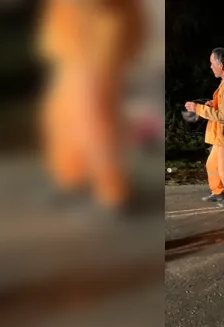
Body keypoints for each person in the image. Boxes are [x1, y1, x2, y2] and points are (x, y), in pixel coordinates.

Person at [37, 0, 144, 214]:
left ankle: (112, 191)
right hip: (74, 42)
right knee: (63, 117)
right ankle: (73, 177)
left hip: (95, 43)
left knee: (95, 119)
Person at [186, 48, 224, 208]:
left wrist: (198, 109)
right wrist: (212, 104)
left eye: (212, 63)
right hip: (222, 135)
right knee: (212, 165)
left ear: (220, 64)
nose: (210, 66)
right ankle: (217, 192)